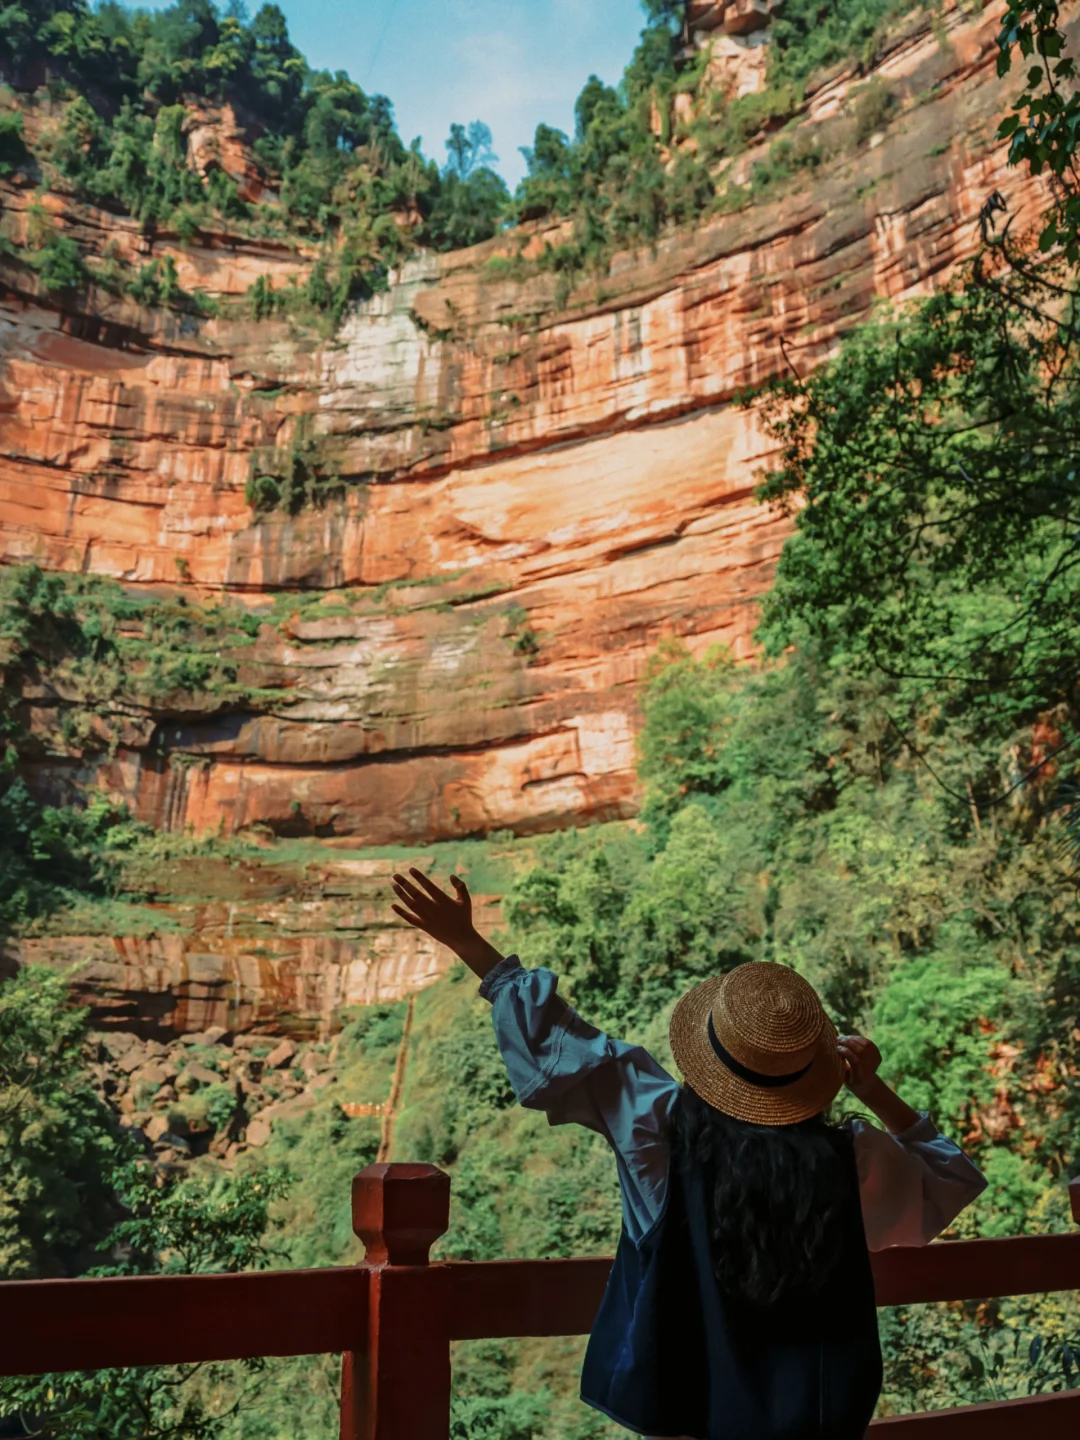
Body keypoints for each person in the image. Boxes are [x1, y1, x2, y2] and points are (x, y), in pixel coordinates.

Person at [390, 867, 987, 1440]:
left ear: (710, 1052)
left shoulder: (659, 1128)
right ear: (815, 1071)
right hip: (818, 1421)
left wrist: (470, 943)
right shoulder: (853, 1160)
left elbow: (559, 1046)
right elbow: (951, 1181)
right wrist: (874, 1090)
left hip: (683, 1416)